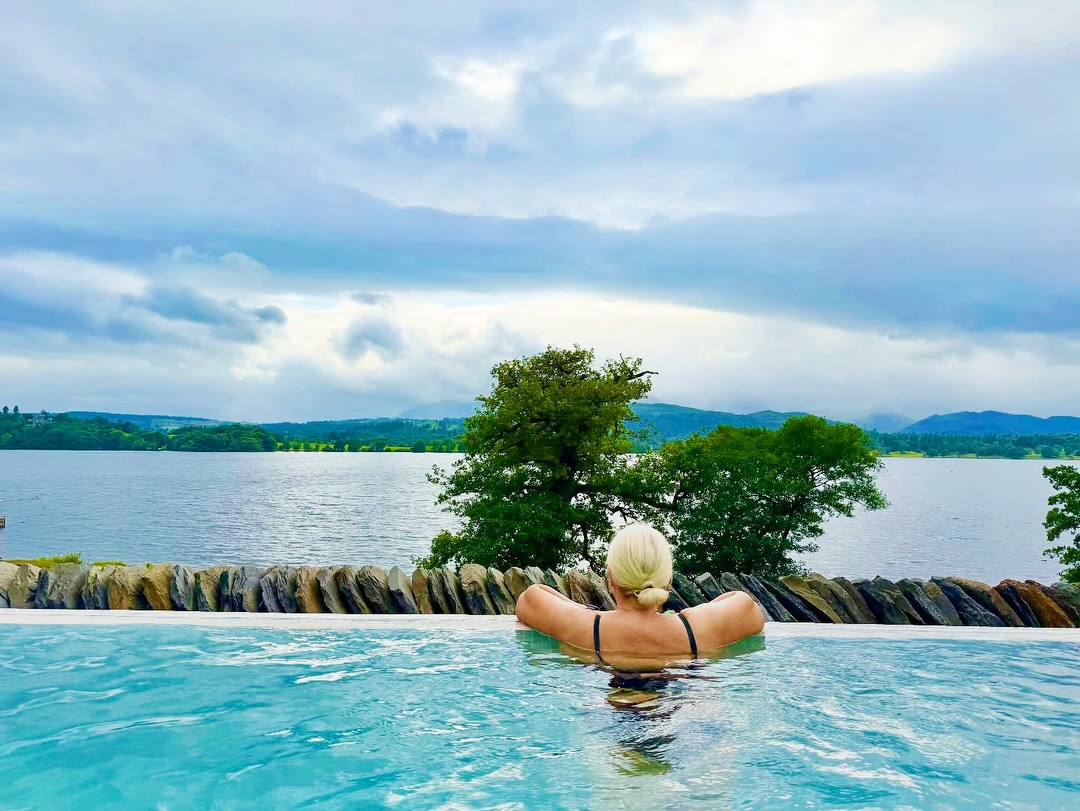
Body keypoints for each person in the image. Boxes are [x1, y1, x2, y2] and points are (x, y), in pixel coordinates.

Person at [515, 524, 765, 668]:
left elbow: (531, 596)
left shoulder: (586, 628)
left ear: (609, 578)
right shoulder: (695, 630)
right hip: (684, 713)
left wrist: (587, 614)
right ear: (667, 580)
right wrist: (694, 616)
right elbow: (744, 603)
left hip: (612, 717)